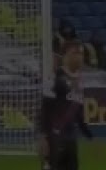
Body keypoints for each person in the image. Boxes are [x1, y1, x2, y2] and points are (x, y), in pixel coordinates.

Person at [39, 39, 94, 170]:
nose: (79, 57)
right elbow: (45, 109)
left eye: (81, 53)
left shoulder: (79, 81)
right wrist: (43, 137)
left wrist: (90, 137)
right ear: (65, 56)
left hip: (71, 140)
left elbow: (78, 114)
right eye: (75, 53)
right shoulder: (55, 79)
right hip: (55, 139)